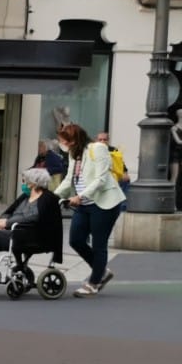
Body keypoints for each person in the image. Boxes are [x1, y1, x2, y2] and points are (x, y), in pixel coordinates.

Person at [54, 122, 125, 297]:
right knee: (76, 240)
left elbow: (101, 179)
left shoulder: (97, 148)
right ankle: (101, 271)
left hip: (104, 204)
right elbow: (69, 179)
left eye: (65, 141)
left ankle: (93, 283)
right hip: (84, 205)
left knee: (99, 244)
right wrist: (51, 197)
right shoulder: (74, 154)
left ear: (74, 139)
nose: (63, 144)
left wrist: (80, 196)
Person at [95, 131, 131, 200]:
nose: (102, 141)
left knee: (125, 180)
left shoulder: (113, 150)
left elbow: (122, 165)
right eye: (100, 139)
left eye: (105, 139)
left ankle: (123, 205)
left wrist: (125, 173)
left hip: (113, 174)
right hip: (99, 175)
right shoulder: (92, 150)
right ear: (96, 140)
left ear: (108, 141)